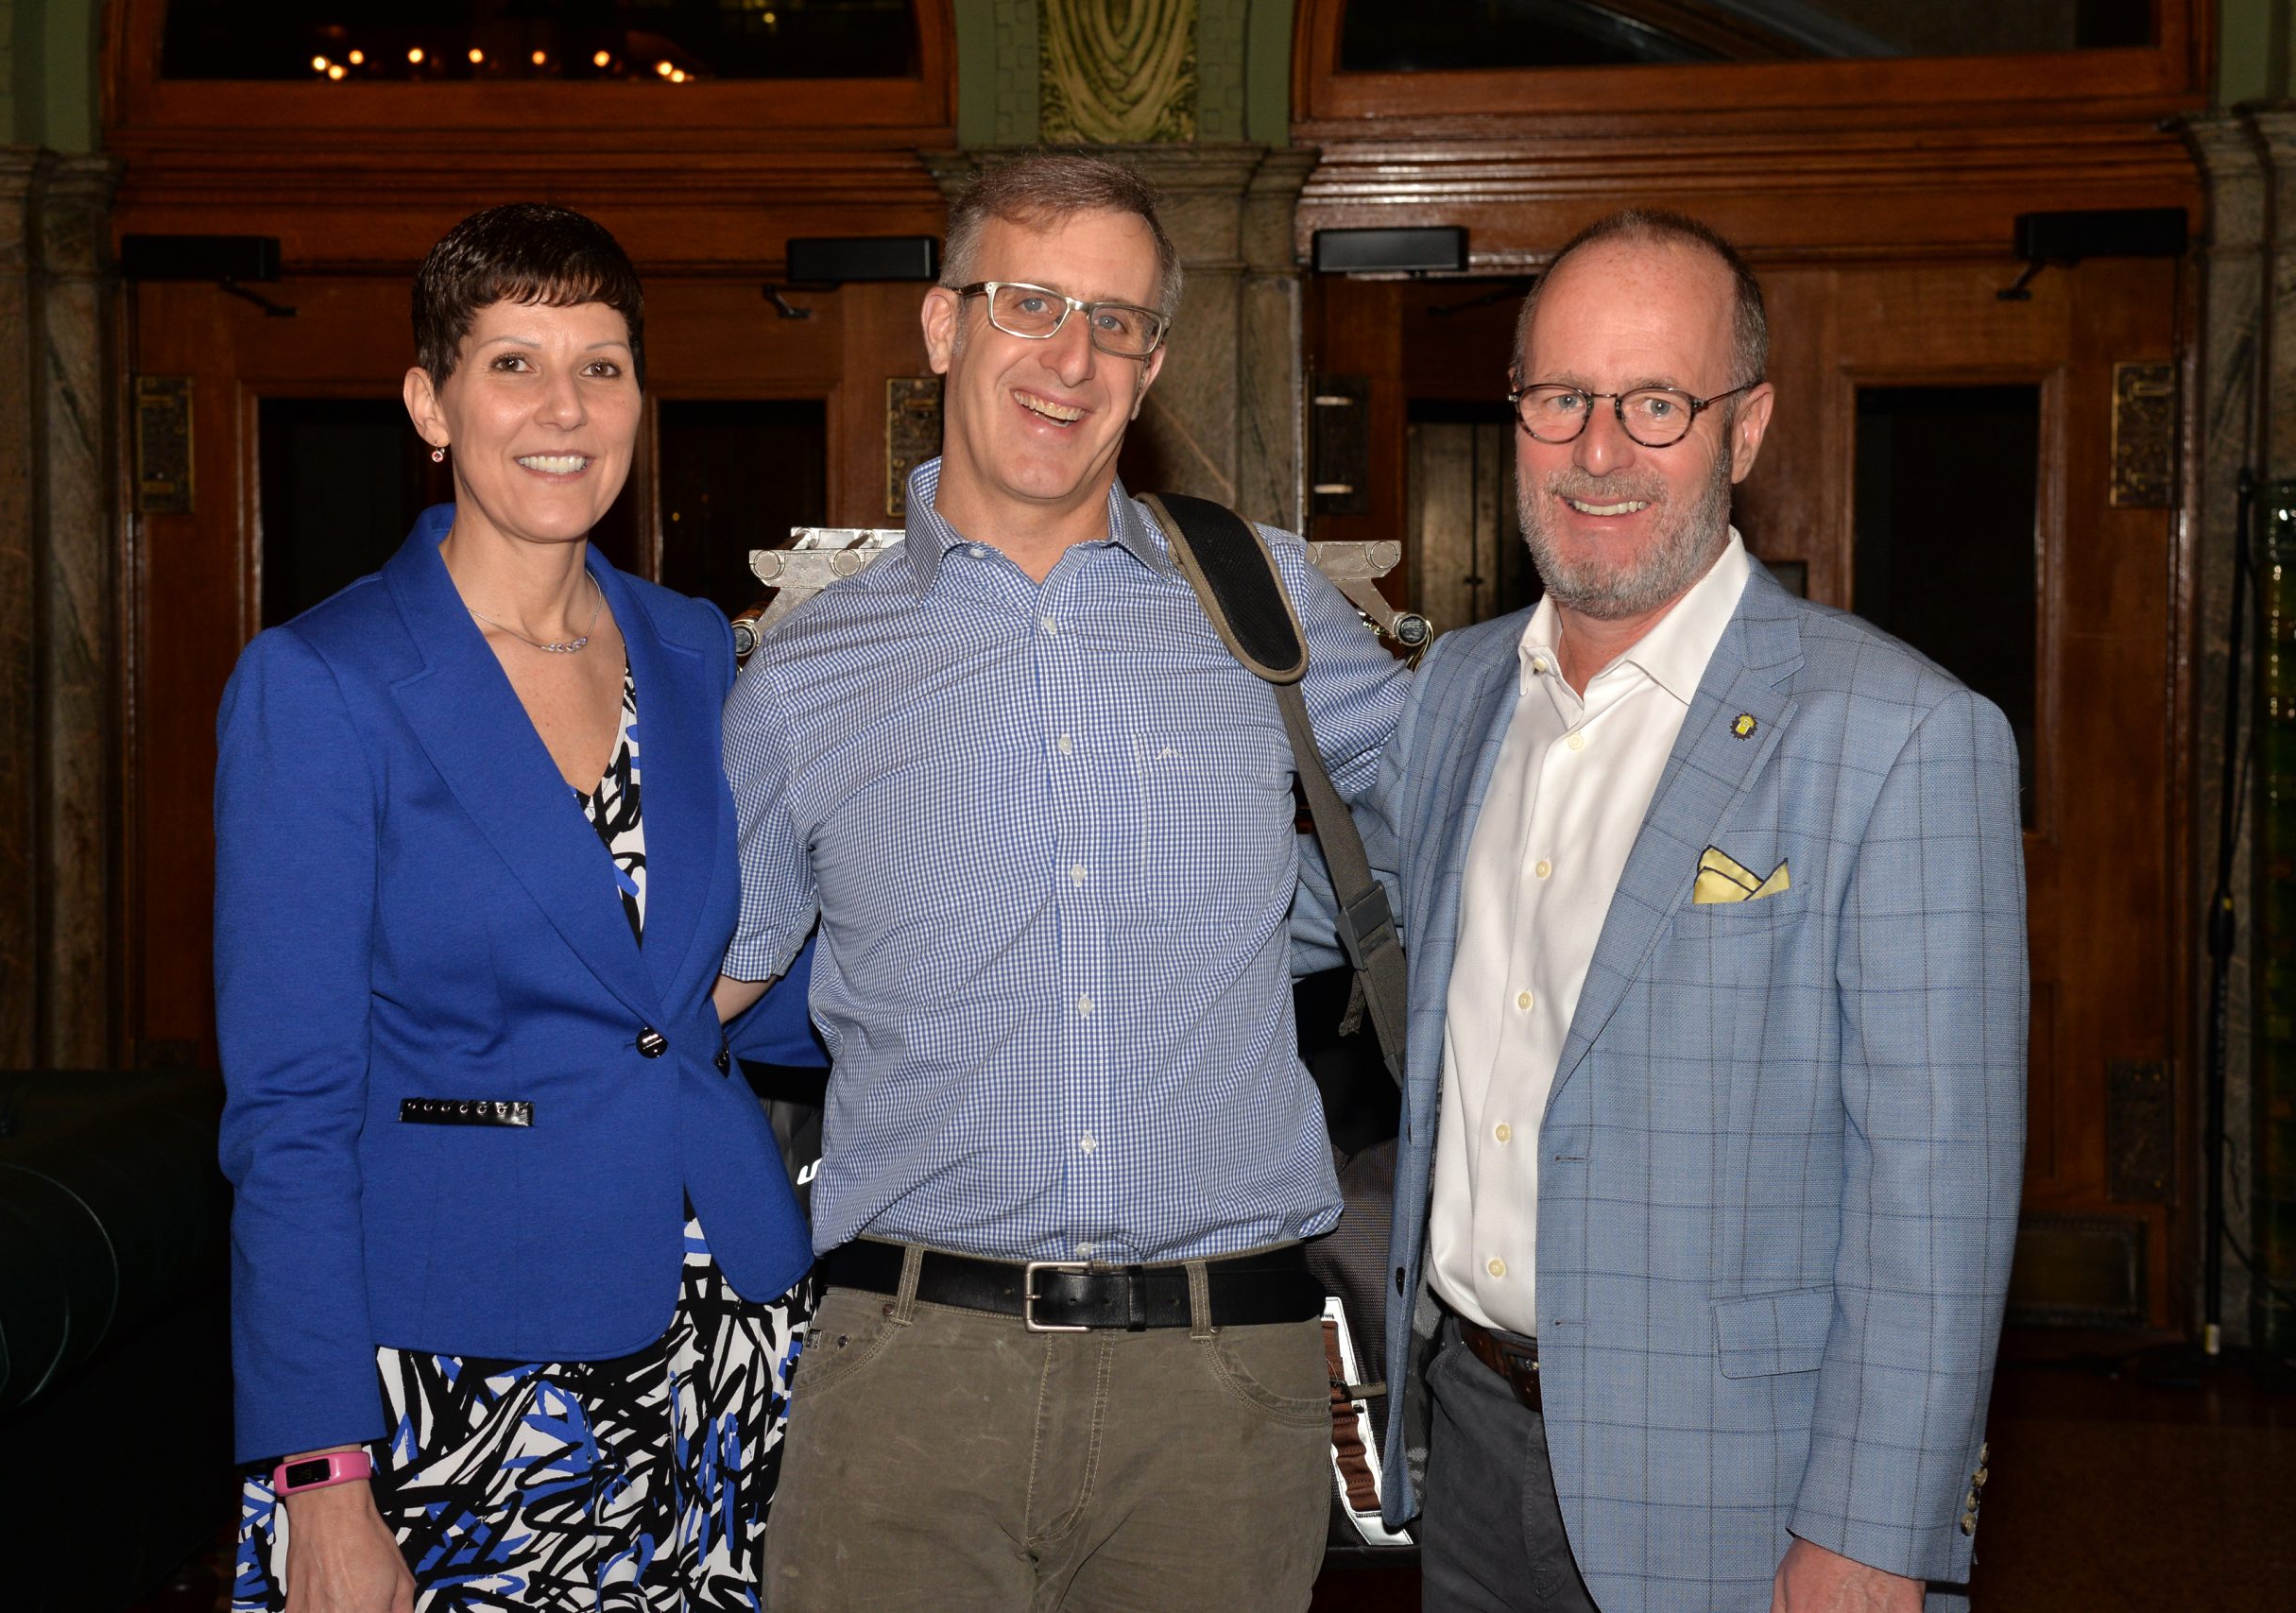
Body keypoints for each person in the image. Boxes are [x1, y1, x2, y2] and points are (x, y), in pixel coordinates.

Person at [714, 154, 1409, 1610]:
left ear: (1150, 366)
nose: (1071, 356)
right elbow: (705, 988)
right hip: (909, 1380)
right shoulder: (804, 677)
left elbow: (1477, 821)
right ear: (944, 324)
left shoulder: (1267, 605)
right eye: (1029, 302)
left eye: (1116, 321)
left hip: (1219, 1394)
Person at [1367, 210, 2026, 1613]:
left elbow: (1938, 1199)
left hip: (1748, 1496)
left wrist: (1872, 1536)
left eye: (1656, 403)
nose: (1599, 451)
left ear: (1746, 429)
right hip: (1470, 1447)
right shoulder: (1456, 695)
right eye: (1562, 398)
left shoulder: (1897, 734)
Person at [215, 202, 817, 1613]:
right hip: (458, 1377)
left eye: (601, 366)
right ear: (430, 405)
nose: (565, 409)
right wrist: (321, 1474)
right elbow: (290, 1112)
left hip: (725, 1341)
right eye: (513, 365)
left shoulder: (692, 647)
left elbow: (713, 988)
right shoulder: (322, 682)